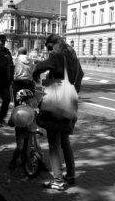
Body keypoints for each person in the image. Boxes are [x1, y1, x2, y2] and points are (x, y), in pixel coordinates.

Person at [32, 34, 84, 191]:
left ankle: (58, 181)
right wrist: (72, 92)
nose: (49, 51)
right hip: (70, 101)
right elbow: (80, 75)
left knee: (54, 145)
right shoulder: (73, 57)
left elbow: (39, 67)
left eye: (49, 47)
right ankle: (71, 175)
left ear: (56, 44)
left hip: (56, 104)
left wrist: (35, 75)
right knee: (65, 141)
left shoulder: (59, 56)